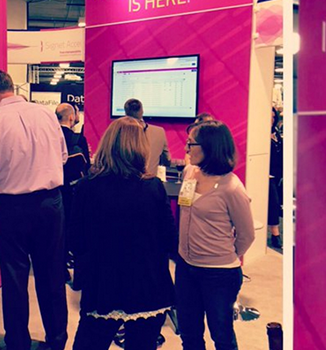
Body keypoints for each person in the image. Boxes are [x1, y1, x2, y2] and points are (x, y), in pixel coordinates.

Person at [0, 70, 69, 350]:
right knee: (52, 274)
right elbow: (62, 157)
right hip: (50, 204)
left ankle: (17, 343)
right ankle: (57, 341)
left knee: (14, 278)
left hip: (10, 207)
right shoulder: (46, 114)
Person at [70, 117, 176, 350]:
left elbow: (75, 240)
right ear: (141, 149)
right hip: (148, 285)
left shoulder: (87, 187)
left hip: (102, 286)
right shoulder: (153, 187)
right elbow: (169, 238)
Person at [177, 120, 255, 350]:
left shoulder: (231, 187)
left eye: (191, 143)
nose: (186, 148)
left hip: (219, 274)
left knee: (221, 336)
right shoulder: (189, 173)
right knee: (189, 333)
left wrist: (223, 255)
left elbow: (247, 234)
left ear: (210, 147)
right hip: (186, 267)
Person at [55, 102, 90, 285]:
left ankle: (60, 271)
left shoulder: (49, 137)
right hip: (75, 193)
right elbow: (87, 169)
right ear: (71, 117)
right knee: (77, 231)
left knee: (57, 235)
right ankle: (79, 276)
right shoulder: (78, 139)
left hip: (54, 192)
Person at [124, 99, 171, 175]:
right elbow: (167, 161)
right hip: (149, 180)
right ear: (142, 111)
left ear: (125, 112)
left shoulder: (117, 131)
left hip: (122, 180)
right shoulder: (159, 132)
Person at [268, 107, 283, 250]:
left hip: (277, 173)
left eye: (273, 117)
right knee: (274, 202)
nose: (271, 120)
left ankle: (275, 234)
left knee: (276, 203)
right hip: (266, 175)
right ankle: (275, 234)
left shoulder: (276, 133)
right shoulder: (261, 134)